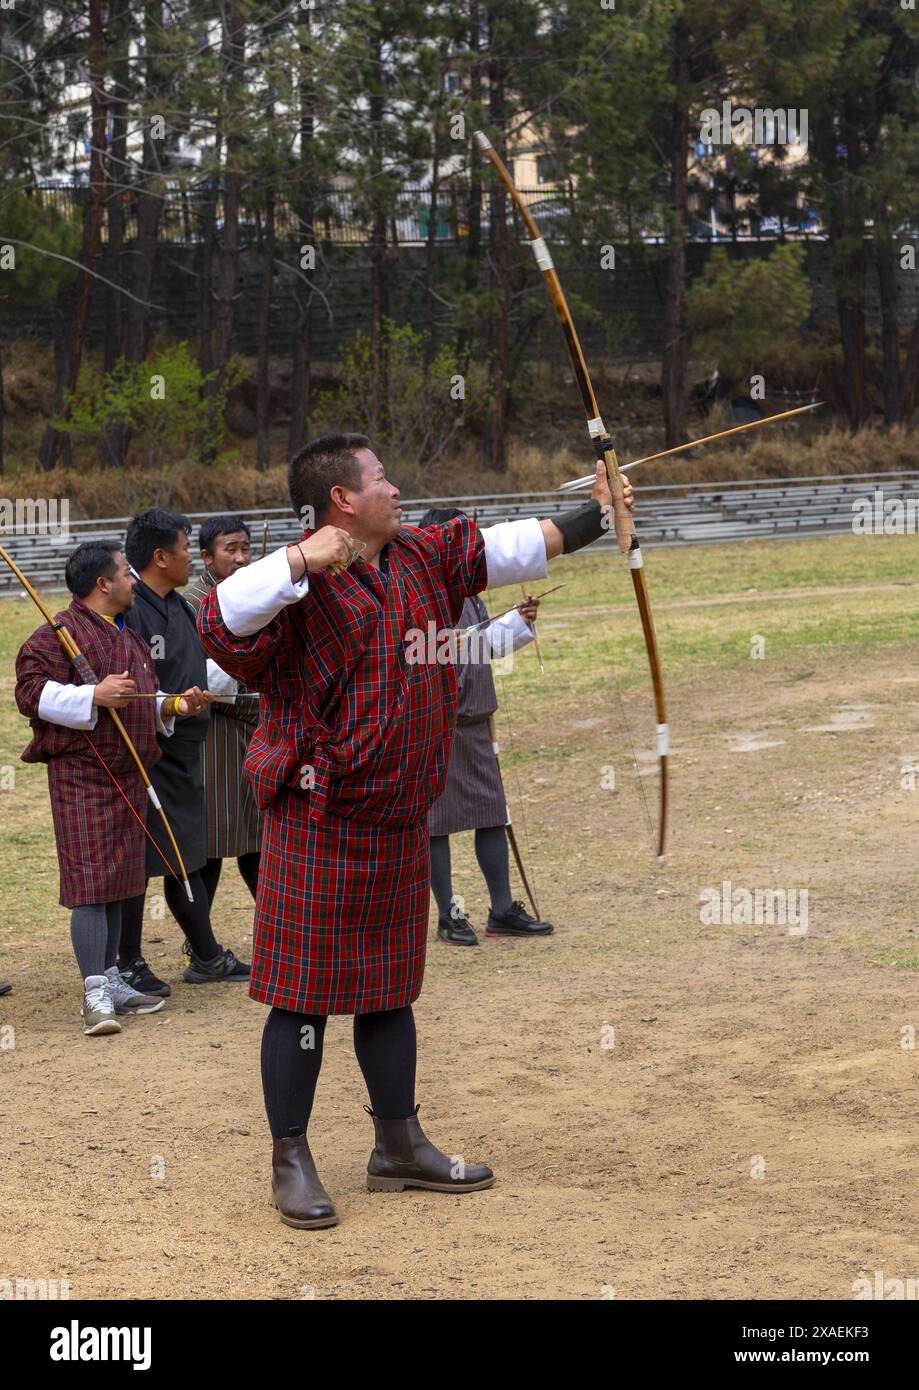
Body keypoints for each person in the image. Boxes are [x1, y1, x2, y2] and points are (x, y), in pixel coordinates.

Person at [197, 432, 631, 1230]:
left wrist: (596, 515)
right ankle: (288, 1158)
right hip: (317, 817)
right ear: (341, 500)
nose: (396, 488)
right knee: (299, 1003)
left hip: (399, 817)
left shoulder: (421, 555)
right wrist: (301, 561)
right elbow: (221, 620)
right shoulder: (292, 583)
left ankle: (397, 1143)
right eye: (381, 479)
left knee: (390, 994)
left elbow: (508, 547)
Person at [13, 542, 208, 1035]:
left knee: (123, 881)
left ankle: (115, 978)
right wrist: (92, 695)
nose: (134, 580)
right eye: (126, 573)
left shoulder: (131, 637)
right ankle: (94, 990)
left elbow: (141, 695)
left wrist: (174, 706)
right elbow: (29, 693)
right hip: (83, 775)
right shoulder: (55, 636)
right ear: (104, 584)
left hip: (130, 774)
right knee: (92, 885)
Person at [117, 509, 247, 994]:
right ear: (159, 556)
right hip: (151, 752)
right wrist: (170, 705)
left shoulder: (181, 605)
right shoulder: (130, 608)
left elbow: (197, 667)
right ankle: (127, 961)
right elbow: (128, 686)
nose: (191, 555)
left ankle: (206, 956)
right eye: (186, 547)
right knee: (143, 859)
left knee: (184, 857)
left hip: (190, 749)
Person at [419, 507, 554, 946]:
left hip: (475, 718)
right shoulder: (420, 592)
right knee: (437, 822)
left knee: (491, 812)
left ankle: (501, 909)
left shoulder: (468, 589)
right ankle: (449, 915)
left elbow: (485, 645)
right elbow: (422, 653)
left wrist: (518, 620)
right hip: (436, 722)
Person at [183, 516, 263, 913]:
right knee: (211, 843)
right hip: (212, 734)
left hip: (254, 732)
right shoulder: (194, 603)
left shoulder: (254, 593)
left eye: (245, 548)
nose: (241, 557)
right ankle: (200, 948)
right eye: (230, 550)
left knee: (255, 839)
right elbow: (194, 675)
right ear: (206, 557)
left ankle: (280, 931)